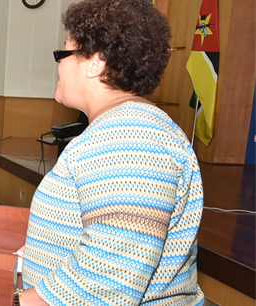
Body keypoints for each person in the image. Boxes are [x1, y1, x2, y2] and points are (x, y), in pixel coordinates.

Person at [16, 1, 205, 305]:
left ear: (96, 62)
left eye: (64, 53)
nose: (59, 65)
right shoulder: (123, 130)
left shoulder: (130, 138)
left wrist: (18, 301)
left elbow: (109, 277)